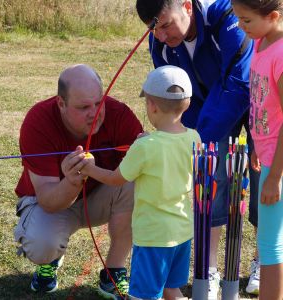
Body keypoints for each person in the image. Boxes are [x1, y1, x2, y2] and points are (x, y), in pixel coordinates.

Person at [135, 0, 260, 297]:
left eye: (165, 25)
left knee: (262, 181)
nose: (162, 36)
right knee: (212, 181)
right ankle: (211, 270)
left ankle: (262, 261)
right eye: (154, 30)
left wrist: (199, 138)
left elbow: (239, 84)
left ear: (187, 6)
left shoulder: (226, 17)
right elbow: (177, 98)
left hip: (255, 103)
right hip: (209, 113)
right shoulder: (160, 43)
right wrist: (186, 138)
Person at [13, 64, 143, 298]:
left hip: (102, 197)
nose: (95, 113)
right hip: (53, 202)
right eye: (83, 107)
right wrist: (72, 181)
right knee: (42, 245)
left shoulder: (120, 115)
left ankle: (113, 272)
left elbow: (143, 168)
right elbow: (49, 201)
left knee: (137, 180)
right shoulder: (38, 121)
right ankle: (50, 260)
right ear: (61, 104)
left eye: (98, 102)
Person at [80, 65, 201, 300]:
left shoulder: (145, 147)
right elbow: (171, 153)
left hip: (154, 236)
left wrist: (89, 168)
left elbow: (116, 179)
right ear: (186, 104)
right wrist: (150, 141)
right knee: (171, 289)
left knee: (143, 295)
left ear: (152, 106)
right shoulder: (194, 137)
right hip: (183, 231)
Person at [231, 1, 283, 299]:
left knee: (270, 244)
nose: (240, 27)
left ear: (273, 17)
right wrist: (256, 144)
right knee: (271, 240)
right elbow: (263, 105)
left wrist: (275, 176)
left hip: (279, 166)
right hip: (267, 155)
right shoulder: (261, 42)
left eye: (246, 20)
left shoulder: (280, 53)